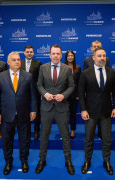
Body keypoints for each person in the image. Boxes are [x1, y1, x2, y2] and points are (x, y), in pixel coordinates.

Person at [0, 52, 37, 175]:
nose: (17, 62)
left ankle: (24, 161)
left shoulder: (28, 76)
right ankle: (8, 162)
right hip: (6, 115)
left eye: (18, 59)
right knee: (7, 141)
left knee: (25, 140)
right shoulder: (0, 77)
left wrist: (33, 110)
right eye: (14, 60)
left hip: (24, 115)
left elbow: (33, 96)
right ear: (8, 62)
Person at [79, 47, 115, 175]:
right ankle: (87, 161)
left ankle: (106, 161)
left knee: (107, 139)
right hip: (90, 112)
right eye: (99, 56)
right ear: (93, 58)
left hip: (107, 112)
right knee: (88, 139)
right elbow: (81, 92)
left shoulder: (112, 73)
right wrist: (83, 110)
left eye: (104, 56)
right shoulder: (85, 73)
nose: (102, 58)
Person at [36, 44, 75, 175]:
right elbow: (39, 85)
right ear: (49, 55)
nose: (56, 56)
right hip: (46, 108)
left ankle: (68, 161)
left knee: (65, 136)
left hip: (61, 107)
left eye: (58, 53)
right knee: (44, 136)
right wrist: (45, 93)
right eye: (53, 53)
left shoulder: (67, 69)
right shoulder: (43, 68)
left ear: (61, 55)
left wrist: (63, 95)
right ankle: (42, 160)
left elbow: (71, 86)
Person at [83, 40, 110, 139]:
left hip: (103, 94)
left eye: (98, 46)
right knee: (93, 118)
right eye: (94, 46)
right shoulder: (87, 61)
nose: (96, 47)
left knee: (103, 116)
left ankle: (101, 132)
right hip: (92, 95)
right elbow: (84, 79)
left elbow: (109, 75)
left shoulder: (106, 59)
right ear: (91, 48)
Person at [21, 45, 42, 140]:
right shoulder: (19, 63)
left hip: (35, 92)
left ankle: (37, 130)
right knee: (24, 112)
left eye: (31, 52)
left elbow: (40, 79)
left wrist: (41, 92)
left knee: (36, 112)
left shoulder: (38, 63)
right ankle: (26, 130)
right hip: (22, 92)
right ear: (24, 53)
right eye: (27, 52)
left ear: (33, 53)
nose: (29, 53)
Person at [64, 50, 81, 139]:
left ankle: (72, 130)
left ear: (74, 57)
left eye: (72, 56)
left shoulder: (78, 68)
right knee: (64, 114)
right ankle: (65, 130)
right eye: (68, 56)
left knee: (73, 113)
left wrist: (78, 94)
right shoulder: (62, 67)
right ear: (66, 57)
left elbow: (79, 82)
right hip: (64, 95)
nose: (70, 57)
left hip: (74, 95)